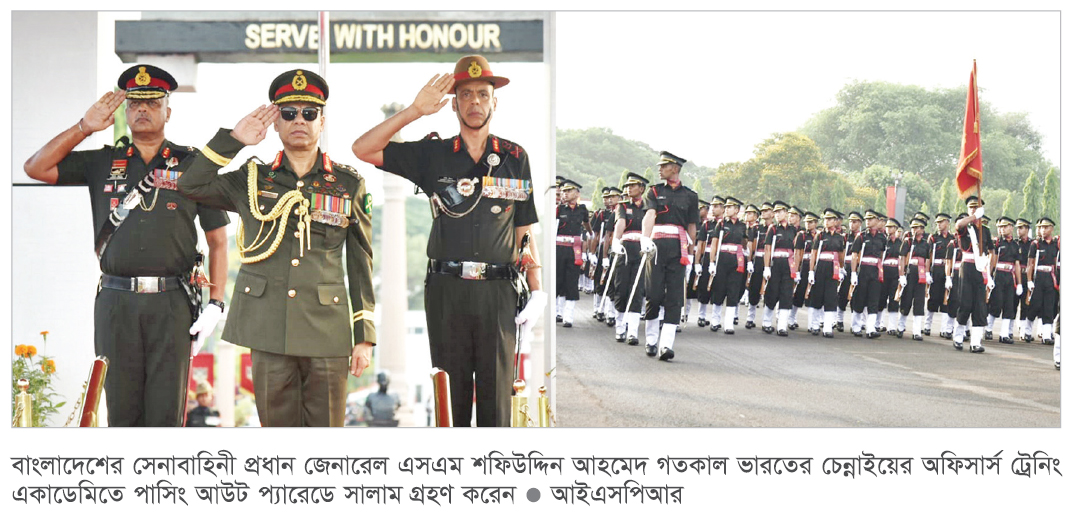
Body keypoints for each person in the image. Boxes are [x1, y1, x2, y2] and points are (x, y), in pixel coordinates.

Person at [23, 64, 230, 427]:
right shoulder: (103, 161)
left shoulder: (193, 164)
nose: (142, 110)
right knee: (120, 411)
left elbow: (217, 241)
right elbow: (36, 167)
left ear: (169, 110)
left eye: (152, 102)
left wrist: (215, 304)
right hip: (117, 303)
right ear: (125, 110)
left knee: (166, 415)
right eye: (134, 103)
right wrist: (84, 127)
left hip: (172, 303)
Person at [351, 55, 545, 427]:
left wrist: (536, 289)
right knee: (450, 400)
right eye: (466, 94)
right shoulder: (433, 154)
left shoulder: (515, 157)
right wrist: (414, 111)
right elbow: (363, 149)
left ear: (495, 101)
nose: (475, 102)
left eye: (483, 94)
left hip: (499, 291)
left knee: (497, 403)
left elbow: (524, 227)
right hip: (447, 290)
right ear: (454, 103)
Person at [178, 69, 376, 427]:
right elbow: (190, 185)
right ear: (277, 122)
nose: (298, 120)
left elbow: (360, 262)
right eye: (288, 113)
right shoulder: (252, 179)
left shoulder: (349, 184)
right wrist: (235, 140)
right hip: (268, 327)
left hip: (326, 330)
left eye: (308, 113)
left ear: (322, 121)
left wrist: (364, 337)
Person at [640, 151, 698, 360]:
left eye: (663, 166)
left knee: (674, 297)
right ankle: (651, 339)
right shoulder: (654, 191)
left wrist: (691, 255)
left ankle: (666, 345)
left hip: (679, 247)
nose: (659, 169)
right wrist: (645, 238)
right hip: (656, 247)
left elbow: (691, 226)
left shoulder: (690, 196)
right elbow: (650, 215)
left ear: (675, 168)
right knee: (654, 294)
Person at [951, 196, 993, 353]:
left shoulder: (986, 231)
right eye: (971, 207)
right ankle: (958, 337)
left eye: (977, 207)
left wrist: (990, 274)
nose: (974, 209)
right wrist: (974, 217)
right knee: (965, 303)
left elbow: (990, 252)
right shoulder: (966, 228)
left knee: (979, 306)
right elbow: (958, 224)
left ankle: (976, 342)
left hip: (980, 270)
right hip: (967, 268)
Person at [611, 172, 649, 346]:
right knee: (621, 288)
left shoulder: (649, 206)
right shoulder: (623, 206)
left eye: (632, 186)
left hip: (642, 249)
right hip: (625, 248)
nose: (628, 189)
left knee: (637, 289)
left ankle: (632, 332)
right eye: (627, 186)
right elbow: (620, 223)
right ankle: (620, 327)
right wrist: (616, 241)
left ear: (641, 188)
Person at [708, 197, 749, 334]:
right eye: (725, 207)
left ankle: (729, 323)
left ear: (737, 210)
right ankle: (715, 321)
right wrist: (712, 262)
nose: (727, 210)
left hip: (736, 260)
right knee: (719, 289)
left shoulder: (742, 226)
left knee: (733, 290)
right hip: (722, 258)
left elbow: (744, 243)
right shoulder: (720, 224)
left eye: (730, 207)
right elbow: (714, 244)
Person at [761, 201, 802, 336]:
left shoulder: (793, 230)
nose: (777, 215)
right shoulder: (773, 229)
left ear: (786, 213)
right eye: (776, 212)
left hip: (788, 264)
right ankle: (766, 322)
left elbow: (796, 251)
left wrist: (796, 269)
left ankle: (782, 326)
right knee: (772, 292)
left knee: (786, 294)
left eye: (780, 212)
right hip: (775, 263)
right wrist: (767, 267)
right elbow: (767, 249)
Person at [554, 179, 589, 327]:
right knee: (558, 279)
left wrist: (587, 247)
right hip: (559, 247)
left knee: (572, 281)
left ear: (577, 193)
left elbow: (587, 226)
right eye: (564, 191)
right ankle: (556, 311)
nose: (565, 193)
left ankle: (568, 316)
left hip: (574, 248)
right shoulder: (559, 209)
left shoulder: (582, 210)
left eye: (568, 191)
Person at [808, 209, 846, 338]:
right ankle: (814, 325)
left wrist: (841, 269)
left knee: (831, 296)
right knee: (817, 295)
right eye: (825, 219)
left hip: (833, 268)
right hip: (821, 266)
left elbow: (841, 254)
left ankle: (828, 327)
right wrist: (811, 271)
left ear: (835, 222)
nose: (827, 222)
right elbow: (814, 254)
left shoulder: (839, 237)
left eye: (830, 219)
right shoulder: (820, 235)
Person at [850, 210, 887, 338]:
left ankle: (870, 328)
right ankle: (856, 326)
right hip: (863, 269)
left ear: (877, 221)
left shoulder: (882, 237)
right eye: (867, 219)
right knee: (860, 297)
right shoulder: (861, 236)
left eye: (871, 219)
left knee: (874, 299)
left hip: (875, 270)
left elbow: (882, 255)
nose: (868, 221)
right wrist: (854, 273)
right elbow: (855, 255)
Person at [987, 217, 1023, 344]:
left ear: (1011, 227)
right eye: (1000, 227)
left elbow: (1017, 265)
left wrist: (1019, 283)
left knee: (1009, 304)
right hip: (999, 274)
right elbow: (993, 260)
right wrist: (989, 276)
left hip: (1010, 276)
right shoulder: (997, 243)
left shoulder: (1015, 245)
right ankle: (988, 328)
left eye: (1005, 226)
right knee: (996, 303)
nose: (1002, 229)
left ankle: (1004, 334)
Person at [1025, 217, 1059, 346]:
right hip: (1038, 276)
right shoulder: (1036, 244)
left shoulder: (1055, 244)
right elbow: (1030, 263)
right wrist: (1029, 281)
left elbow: (1056, 263)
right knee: (1035, 305)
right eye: (1041, 227)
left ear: (1051, 228)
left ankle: (1046, 335)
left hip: (1050, 277)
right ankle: (1027, 330)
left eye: (1046, 227)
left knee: (1049, 307)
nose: (1043, 230)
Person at [899, 218, 931, 340]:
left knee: (919, 302)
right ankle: (901, 327)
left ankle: (916, 331)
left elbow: (928, 260)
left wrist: (927, 273)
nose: (914, 230)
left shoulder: (926, 244)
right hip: (910, 272)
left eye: (917, 227)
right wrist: (901, 274)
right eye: (913, 227)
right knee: (906, 300)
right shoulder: (908, 242)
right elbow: (902, 258)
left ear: (922, 229)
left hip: (921, 274)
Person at [924, 213, 954, 337]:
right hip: (936, 270)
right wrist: (927, 273)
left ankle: (945, 329)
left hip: (947, 271)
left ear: (947, 223)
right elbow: (928, 256)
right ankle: (927, 326)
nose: (939, 225)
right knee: (933, 298)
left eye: (941, 222)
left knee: (946, 299)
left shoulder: (953, 239)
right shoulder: (933, 238)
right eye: (937, 223)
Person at [694, 197, 720, 327]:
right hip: (707, 256)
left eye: (716, 206)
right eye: (712, 206)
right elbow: (700, 244)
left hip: (721, 258)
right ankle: (701, 316)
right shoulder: (707, 224)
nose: (713, 209)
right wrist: (697, 262)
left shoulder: (726, 224)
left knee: (718, 289)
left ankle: (716, 319)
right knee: (704, 287)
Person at [837, 211, 863, 332]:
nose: (852, 224)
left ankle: (855, 323)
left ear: (860, 223)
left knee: (856, 296)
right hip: (846, 266)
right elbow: (840, 253)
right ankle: (839, 320)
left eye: (855, 222)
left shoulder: (862, 237)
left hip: (858, 267)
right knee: (842, 294)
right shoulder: (845, 237)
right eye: (850, 221)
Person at [741, 204, 765, 329]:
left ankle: (760, 319)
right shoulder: (744, 227)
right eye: (746, 213)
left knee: (759, 288)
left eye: (750, 213)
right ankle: (749, 317)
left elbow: (752, 245)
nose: (747, 215)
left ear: (756, 216)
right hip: (748, 258)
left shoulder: (757, 229)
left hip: (759, 259)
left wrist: (750, 259)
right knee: (751, 287)